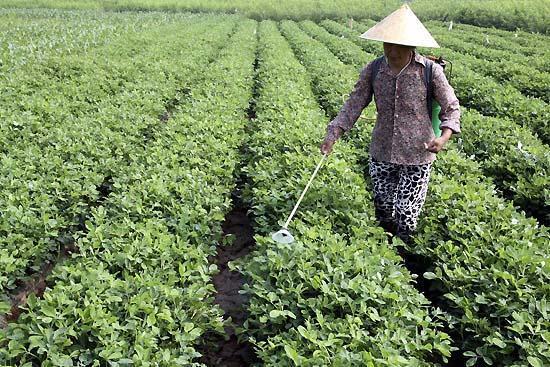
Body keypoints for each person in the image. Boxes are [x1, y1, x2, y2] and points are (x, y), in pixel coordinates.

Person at [320, 4, 460, 244]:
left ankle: (403, 255)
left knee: (407, 213)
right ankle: (384, 252)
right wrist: (333, 133)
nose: (392, 50)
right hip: (382, 150)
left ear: (412, 45)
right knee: (383, 207)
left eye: (398, 45)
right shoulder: (373, 69)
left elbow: (451, 106)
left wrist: (444, 136)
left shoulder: (430, 71)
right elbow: (354, 104)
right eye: (388, 44)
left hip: (418, 153)